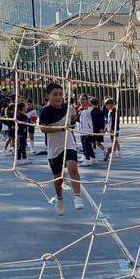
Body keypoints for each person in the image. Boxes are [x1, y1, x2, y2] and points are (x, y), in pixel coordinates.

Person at [38, 82, 85, 215]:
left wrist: (76, 117)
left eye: (60, 94)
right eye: (55, 94)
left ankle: (77, 197)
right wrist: (60, 128)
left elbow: (71, 120)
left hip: (68, 143)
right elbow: (43, 128)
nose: (59, 97)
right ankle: (59, 198)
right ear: (48, 96)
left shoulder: (68, 107)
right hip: (54, 148)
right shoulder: (46, 111)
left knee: (72, 167)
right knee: (58, 179)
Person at [76, 93, 97, 163]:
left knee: (86, 144)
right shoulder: (80, 110)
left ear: (87, 100)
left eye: (83, 99)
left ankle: (87, 159)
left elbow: (96, 120)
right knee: (85, 144)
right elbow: (78, 120)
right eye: (80, 99)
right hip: (82, 130)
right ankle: (92, 158)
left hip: (89, 131)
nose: (81, 101)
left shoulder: (91, 110)